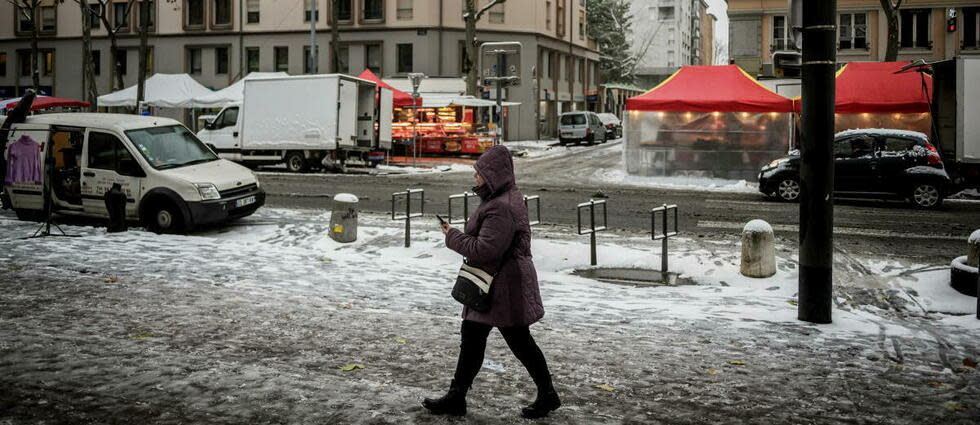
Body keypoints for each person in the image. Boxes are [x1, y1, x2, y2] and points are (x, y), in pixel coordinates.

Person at [423, 145, 560, 419]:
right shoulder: (499, 199)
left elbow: (485, 250)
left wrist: (453, 236)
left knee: (520, 342)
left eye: (479, 172)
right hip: (493, 284)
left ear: (493, 175)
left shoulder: (501, 207)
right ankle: (456, 396)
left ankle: (547, 394)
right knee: (473, 339)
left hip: (503, 286)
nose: (475, 177)